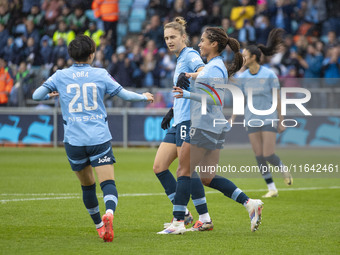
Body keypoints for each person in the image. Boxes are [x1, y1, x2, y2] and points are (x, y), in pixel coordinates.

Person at [32, 35, 154, 242]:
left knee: (87, 187)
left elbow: (36, 96)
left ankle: (99, 226)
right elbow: (124, 95)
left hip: (74, 141)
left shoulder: (60, 76)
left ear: (71, 55)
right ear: (92, 54)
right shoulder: (100, 74)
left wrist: (49, 94)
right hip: (98, 138)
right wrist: (145, 97)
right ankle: (110, 214)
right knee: (107, 183)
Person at [158, 27, 263, 235]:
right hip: (211, 126)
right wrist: (184, 89)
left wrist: (186, 95)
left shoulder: (213, 67)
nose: (199, 44)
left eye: (203, 40)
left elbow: (215, 99)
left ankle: (179, 221)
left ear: (214, 44)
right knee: (206, 176)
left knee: (183, 171)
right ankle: (250, 203)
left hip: (202, 124)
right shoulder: (212, 66)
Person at [154, 17, 214, 232]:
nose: (169, 41)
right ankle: (190, 215)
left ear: (183, 37)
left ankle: (188, 218)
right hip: (178, 118)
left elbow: (204, 72)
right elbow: (184, 89)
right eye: (166, 38)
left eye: (172, 37)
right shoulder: (179, 58)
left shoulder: (189, 55)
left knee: (186, 170)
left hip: (189, 120)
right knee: (160, 167)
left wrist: (190, 74)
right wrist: (171, 111)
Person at [232, 28, 293, 198]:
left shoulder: (269, 75)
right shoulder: (242, 77)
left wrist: (281, 120)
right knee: (258, 155)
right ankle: (272, 188)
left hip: (268, 118)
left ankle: (282, 168)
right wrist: (233, 118)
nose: (242, 58)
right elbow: (239, 99)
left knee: (268, 154)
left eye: (244, 55)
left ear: (253, 57)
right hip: (251, 119)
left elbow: (278, 99)